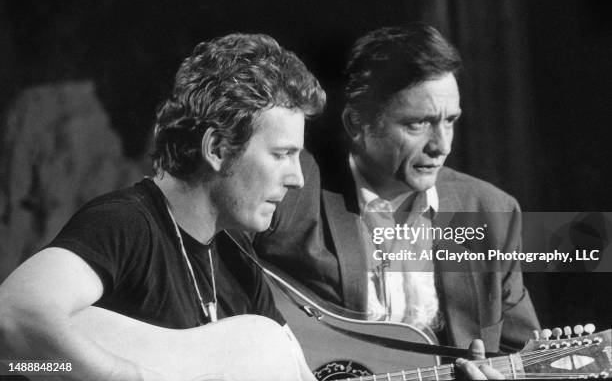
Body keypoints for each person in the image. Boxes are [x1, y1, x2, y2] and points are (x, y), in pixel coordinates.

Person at [0, 33, 326, 381]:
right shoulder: (127, 224)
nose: (297, 179)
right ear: (216, 148)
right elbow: (13, 312)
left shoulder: (240, 264)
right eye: (281, 155)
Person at [253, 24, 540, 378]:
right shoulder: (292, 191)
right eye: (419, 123)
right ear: (356, 123)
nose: (442, 145)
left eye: (450, 121)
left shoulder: (492, 212)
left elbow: (522, 354)